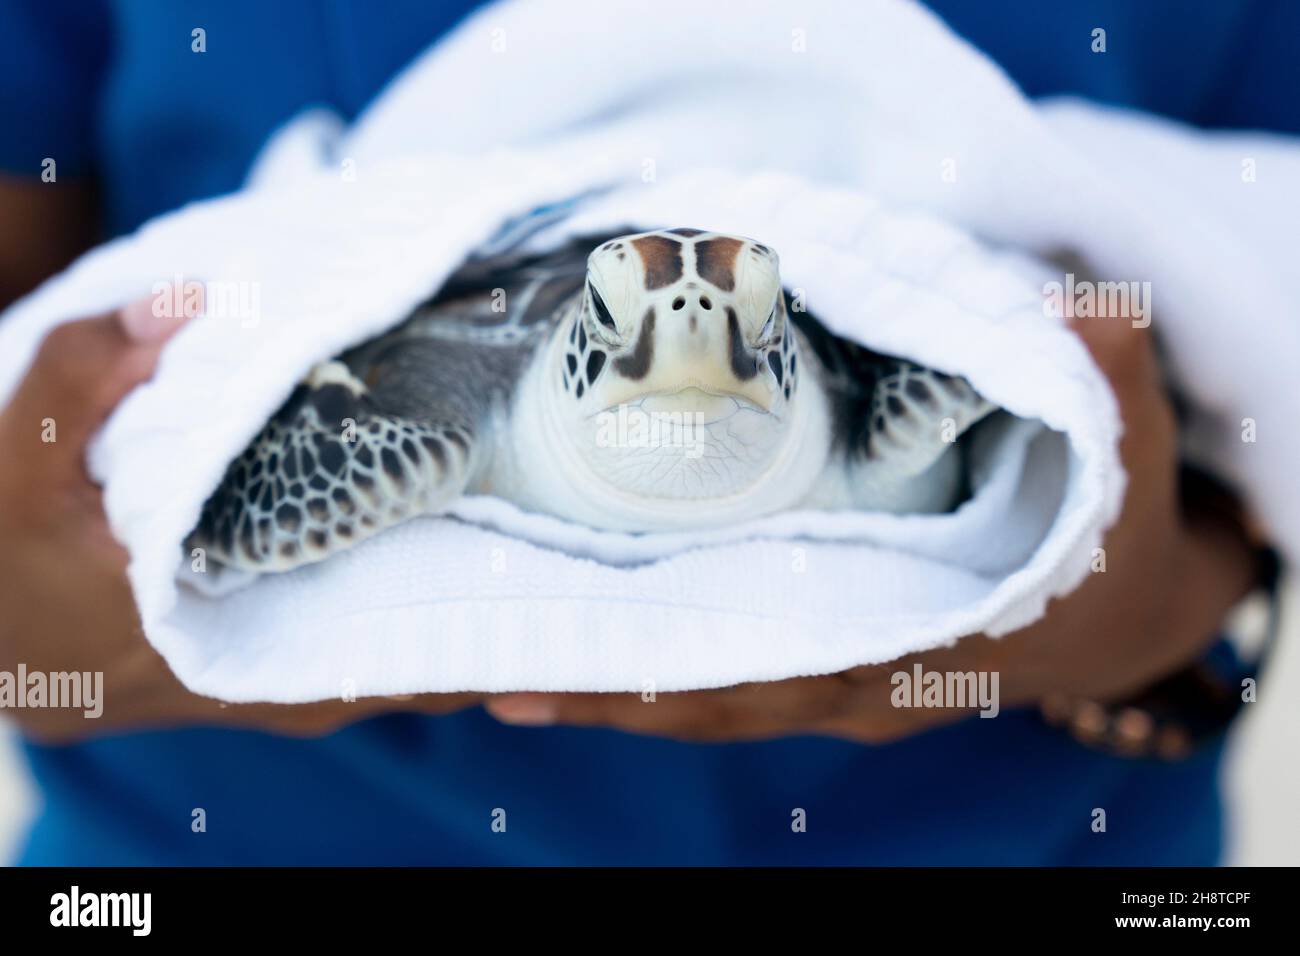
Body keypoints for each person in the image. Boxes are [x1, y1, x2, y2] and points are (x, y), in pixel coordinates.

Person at [0, 0, 1286, 864]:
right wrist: (26, 626)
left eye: (723, 323)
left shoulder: (885, 409)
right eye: (655, 320)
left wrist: (1153, 614)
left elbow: (1168, 361)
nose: (688, 324)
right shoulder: (446, 421)